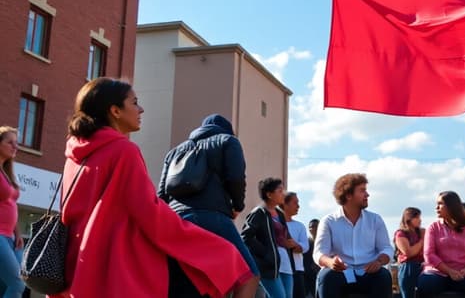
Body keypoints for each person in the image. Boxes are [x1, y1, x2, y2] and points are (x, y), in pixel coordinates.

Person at [56, 78, 252, 297]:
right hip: (114, 262)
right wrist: (206, 245)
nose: (141, 109)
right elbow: (150, 213)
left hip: (78, 260)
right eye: (134, 102)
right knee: (239, 265)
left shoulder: (75, 154)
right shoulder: (123, 151)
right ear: (115, 111)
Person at [158, 114, 259, 297]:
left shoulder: (174, 152)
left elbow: (162, 194)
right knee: (249, 274)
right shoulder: (228, 141)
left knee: (181, 281)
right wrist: (237, 205)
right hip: (212, 217)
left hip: (175, 222)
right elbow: (236, 178)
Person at [313, 173, 393, 298]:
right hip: (341, 272)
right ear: (348, 195)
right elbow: (319, 253)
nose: (367, 195)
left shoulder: (375, 220)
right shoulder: (329, 221)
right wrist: (330, 262)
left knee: (383, 276)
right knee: (327, 277)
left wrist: (378, 262)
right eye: (362, 191)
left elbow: (386, 248)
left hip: (369, 272)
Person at [418, 191, 465, 298]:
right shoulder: (433, 227)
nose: (436, 207)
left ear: (452, 206)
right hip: (436, 273)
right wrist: (449, 271)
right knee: (427, 284)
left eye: (440, 204)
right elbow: (429, 254)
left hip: (463, 273)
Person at [242, 177, 298, 298]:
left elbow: (281, 237)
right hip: (269, 266)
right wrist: (265, 253)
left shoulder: (280, 214)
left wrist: (288, 243)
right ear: (269, 194)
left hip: (285, 264)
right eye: (279, 190)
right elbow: (246, 237)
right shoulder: (259, 212)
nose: (283, 193)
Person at [0, 127, 24, 297]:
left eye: (16, 142)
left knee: (11, 284)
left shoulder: (7, 173)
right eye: (10, 142)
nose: (15, 146)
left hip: (12, 239)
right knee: (17, 283)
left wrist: (18, 233)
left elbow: (11, 204)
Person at [283, 192, 310, 298]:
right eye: (295, 203)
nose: (298, 206)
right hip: (278, 270)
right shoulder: (272, 224)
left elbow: (305, 247)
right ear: (285, 204)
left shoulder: (299, 226)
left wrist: (294, 245)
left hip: (296, 270)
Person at [394, 207, 424, 298]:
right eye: (417, 217)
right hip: (408, 267)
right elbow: (408, 252)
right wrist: (422, 241)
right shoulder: (401, 234)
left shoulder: (421, 232)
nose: (420, 220)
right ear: (409, 219)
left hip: (423, 265)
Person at [303, 219, 320, 298]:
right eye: (310, 227)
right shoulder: (305, 242)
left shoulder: (325, 241)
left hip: (321, 275)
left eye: (314, 226)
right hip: (307, 277)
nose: (312, 228)